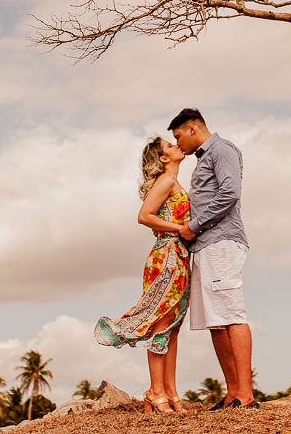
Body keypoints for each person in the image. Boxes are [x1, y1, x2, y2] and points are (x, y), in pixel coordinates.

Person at [94, 136, 191, 415]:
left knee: (170, 326)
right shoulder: (166, 182)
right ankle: (156, 391)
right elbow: (144, 215)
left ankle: (169, 391)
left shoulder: (174, 182)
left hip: (178, 256)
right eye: (170, 146)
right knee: (161, 324)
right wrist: (177, 228)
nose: (176, 145)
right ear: (163, 158)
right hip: (166, 257)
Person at [169, 108, 258, 410]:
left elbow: (230, 193)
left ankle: (245, 395)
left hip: (221, 242)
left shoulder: (221, 149)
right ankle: (233, 393)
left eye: (179, 136)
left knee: (231, 314)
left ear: (192, 128)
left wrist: (192, 227)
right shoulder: (202, 159)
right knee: (216, 322)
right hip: (205, 246)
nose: (178, 143)